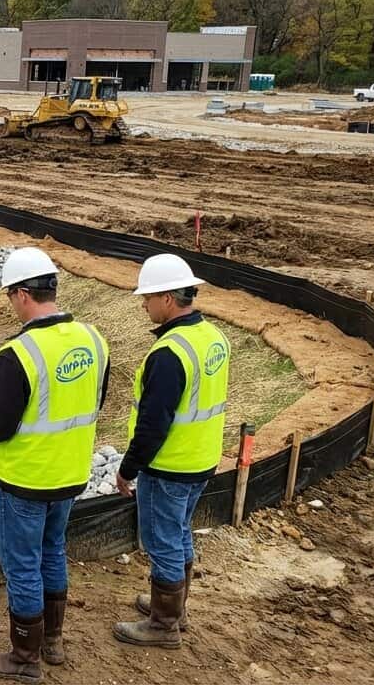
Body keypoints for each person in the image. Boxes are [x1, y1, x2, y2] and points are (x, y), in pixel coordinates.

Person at [0, 246, 110, 683]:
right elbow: (94, 402)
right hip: (71, 474)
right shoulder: (94, 340)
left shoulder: (17, 353)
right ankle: (53, 642)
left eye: (10, 296)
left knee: (23, 564)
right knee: (52, 552)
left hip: (25, 479)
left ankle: (24, 658)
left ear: (23, 294)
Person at [113, 254, 230, 649]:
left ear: (166, 298)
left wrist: (128, 468)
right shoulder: (214, 337)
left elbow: (153, 424)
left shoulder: (168, 354)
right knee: (179, 532)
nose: (143, 304)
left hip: (170, 465)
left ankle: (163, 626)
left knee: (162, 540)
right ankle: (175, 608)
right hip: (202, 458)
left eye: (147, 297)